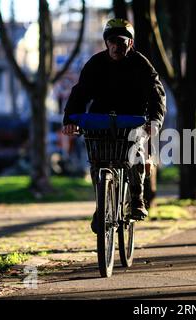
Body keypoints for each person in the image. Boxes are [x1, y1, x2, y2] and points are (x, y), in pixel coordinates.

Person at [61, 18, 166, 233]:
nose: (116, 46)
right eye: (112, 41)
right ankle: (102, 205)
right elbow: (79, 93)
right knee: (97, 161)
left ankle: (137, 199)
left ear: (130, 43)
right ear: (106, 43)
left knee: (138, 153)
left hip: (133, 119)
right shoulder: (95, 64)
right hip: (100, 120)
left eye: (121, 41)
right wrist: (70, 120)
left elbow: (156, 94)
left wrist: (154, 122)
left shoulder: (141, 64)